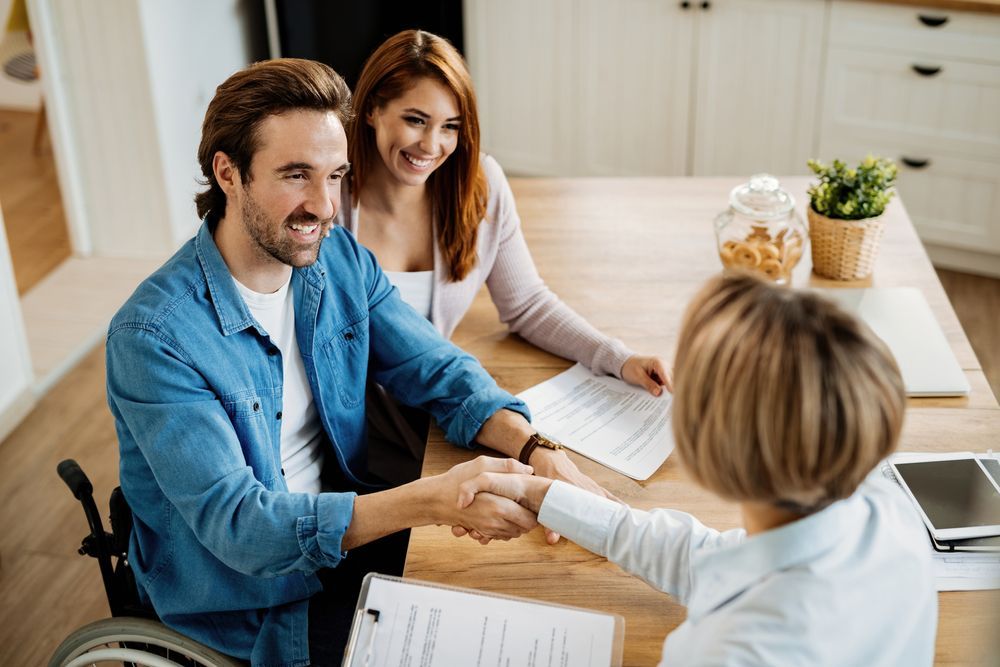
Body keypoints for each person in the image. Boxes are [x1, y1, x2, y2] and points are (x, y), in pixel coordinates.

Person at [105, 58, 604, 667]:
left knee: (530, 600)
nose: (324, 205)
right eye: (296, 175)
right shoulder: (154, 337)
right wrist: (431, 499)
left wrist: (534, 450)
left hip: (347, 536)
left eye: (335, 175)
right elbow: (242, 528)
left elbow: (438, 370)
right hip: (252, 602)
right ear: (228, 173)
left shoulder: (336, 258)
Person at [457, 273, 938, 666]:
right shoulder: (889, 512)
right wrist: (549, 499)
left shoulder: (728, 650)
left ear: (715, 448)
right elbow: (710, 561)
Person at [336, 30, 671, 472]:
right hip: (357, 432)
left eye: (450, 126)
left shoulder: (479, 185)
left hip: (441, 409)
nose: (431, 146)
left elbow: (526, 303)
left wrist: (617, 358)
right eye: (415, 120)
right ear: (374, 110)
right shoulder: (332, 200)